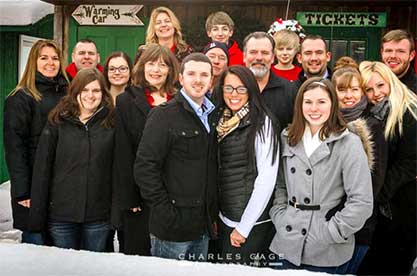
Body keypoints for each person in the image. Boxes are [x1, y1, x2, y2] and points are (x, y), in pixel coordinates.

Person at [269, 77, 373, 273]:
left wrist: (332, 232)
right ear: (299, 105)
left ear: (333, 105)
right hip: (287, 240)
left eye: (321, 102)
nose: (314, 108)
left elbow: (362, 201)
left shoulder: (348, 143)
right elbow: (281, 185)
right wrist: (280, 215)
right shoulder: (288, 138)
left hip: (326, 246)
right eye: (308, 102)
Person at [134, 53, 218, 261]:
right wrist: (165, 212)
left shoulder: (214, 116)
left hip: (202, 226)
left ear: (211, 80)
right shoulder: (164, 115)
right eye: (191, 74)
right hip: (172, 229)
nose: (198, 80)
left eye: (204, 75)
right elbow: (145, 168)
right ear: (181, 79)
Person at [28, 68, 114, 252]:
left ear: (103, 93)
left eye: (96, 90)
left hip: (98, 216)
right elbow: (43, 170)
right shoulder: (57, 121)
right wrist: (37, 216)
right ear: (75, 92)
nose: (90, 95)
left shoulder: (111, 123)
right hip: (61, 215)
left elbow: (118, 171)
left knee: (94, 268)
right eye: (85, 90)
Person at [113, 44, 179, 255]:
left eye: (162, 65)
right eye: (151, 64)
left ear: (171, 70)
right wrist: (130, 197)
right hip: (139, 194)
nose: (156, 70)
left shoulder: (180, 100)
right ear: (142, 67)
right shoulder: (126, 100)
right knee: (138, 256)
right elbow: (123, 152)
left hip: (175, 192)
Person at [3, 39, 69, 245]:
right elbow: (15, 148)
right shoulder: (21, 97)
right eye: (44, 58)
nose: (50, 63)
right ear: (33, 62)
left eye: (55, 58)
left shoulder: (67, 94)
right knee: (37, 246)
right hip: (32, 186)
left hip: (61, 185)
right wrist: (23, 191)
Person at [216, 65, 279, 266]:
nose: (234, 94)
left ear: (251, 90)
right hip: (226, 218)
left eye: (241, 88)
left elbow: (266, 179)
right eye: (228, 88)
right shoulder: (222, 120)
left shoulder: (262, 122)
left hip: (250, 224)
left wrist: (243, 228)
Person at [359, 61, 417, 275]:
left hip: (403, 206)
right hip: (383, 208)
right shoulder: (371, 114)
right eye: (369, 89)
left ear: (391, 81)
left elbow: (410, 163)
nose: (376, 93)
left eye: (380, 85)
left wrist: (379, 192)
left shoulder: (409, 111)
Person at [331, 61, 388, 274]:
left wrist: (354, 215)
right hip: (329, 220)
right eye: (342, 89)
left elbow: (375, 180)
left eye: (354, 89)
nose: (348, 96)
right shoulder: (328, 123)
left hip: (359, 224)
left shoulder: (371, 125)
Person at [243, 31, 297, 128]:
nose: (259, 58)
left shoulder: (290, 90)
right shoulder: (231, 90)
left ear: (272, 58)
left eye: (265, 53)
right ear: (244, 56)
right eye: (253, 52)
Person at [381, 29, 417, 93]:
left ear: (411, 55)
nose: (393, 56)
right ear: (382, 53)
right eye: (389, 50)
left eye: (400, 51)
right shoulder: (371, 83)